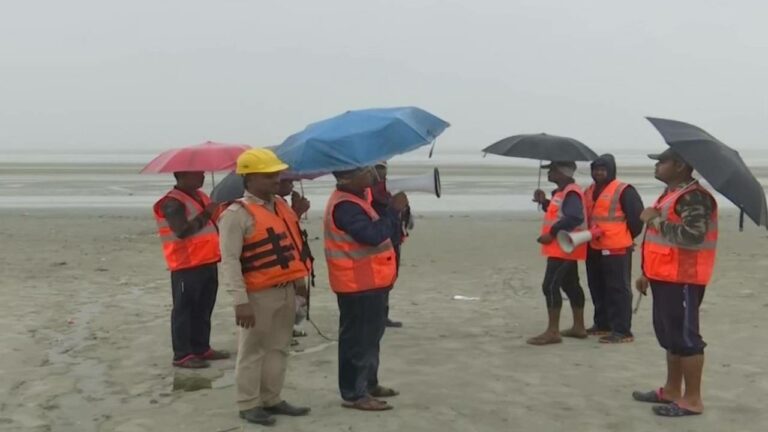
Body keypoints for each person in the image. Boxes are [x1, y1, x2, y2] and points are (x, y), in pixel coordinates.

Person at [218, 148, 311, 426]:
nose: (276, 179)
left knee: (279, 347)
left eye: (277, 174)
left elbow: (291, 246)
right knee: (252, 350)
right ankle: (248, 404)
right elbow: (230, 260)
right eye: (269, 175)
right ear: (250, 178)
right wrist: (240, 301)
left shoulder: (281, 207)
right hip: (257, 294)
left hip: (285, 289)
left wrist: (299, 282)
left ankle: (272, 398)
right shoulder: (236, 214)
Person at [632, 148, 718, 417]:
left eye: (662, 161)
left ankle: (692, 399)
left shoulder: (694, 197)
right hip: (664, 276)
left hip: (685, 278)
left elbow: (692, 236)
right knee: (670, 336)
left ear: (680, 165)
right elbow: (659, 242)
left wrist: (654, 219)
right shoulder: (671, 194)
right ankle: (671, 390)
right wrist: (647, 272)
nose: (657, 166)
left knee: (686, 337)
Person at [324, 167, 408, 411]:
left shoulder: (358, 199)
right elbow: (372, 235)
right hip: (356, 284)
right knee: (357, 341)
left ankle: (369, 384)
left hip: (370, 282)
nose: (373, 176)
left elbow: (384, 230)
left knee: (371, 338)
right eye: (366, 171)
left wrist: (390, 209)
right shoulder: (345, 206)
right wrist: (393, 211)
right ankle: (354, 393)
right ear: (347, 177)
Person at [152, 171, 230, 369]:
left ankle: (201, 347)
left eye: (202, 173)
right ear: (183, 176)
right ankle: (182, 354)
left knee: (204, 308)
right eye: (197, 174)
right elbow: (181, 231)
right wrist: (207, 213)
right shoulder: (171, 202)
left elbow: (216, 219)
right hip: (186, 264)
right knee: (184, 310)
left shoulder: (201, 196)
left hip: (208, 259)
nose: (202, 176)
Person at [584, 154, 644, 343]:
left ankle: (622, 330)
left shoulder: (624, 190)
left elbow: (637, 219)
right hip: (593, 245)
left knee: (618, 289)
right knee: (597, 286)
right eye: (596, 169)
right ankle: (602, 324)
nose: (599, 173)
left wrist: (626, 237)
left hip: (616, 247)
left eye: (603, 169)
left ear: (611, 170)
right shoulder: (589, 190)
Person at [528, 161, 588, 345]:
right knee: (570, 285)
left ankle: (553, 331)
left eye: (552, 170)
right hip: (565, 247)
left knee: (550, 286)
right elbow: (560, 213)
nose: (549, 173)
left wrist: (551, 233)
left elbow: (574, 216)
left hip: (564, 247)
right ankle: (579, 327)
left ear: (563, 172)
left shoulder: (571, 192)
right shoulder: (563, 192)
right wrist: (544, 202)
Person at [369, 161, 408, 328]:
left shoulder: (388, 189)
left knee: (389, 278)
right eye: (378, 168)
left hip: (393, 239)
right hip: (381, 240)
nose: (381, 172)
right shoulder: (371, 191)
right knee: (380, 280)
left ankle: (382, 315)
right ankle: (378, 316)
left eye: (383, 168)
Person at [276, 177, 312, 342]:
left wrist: (296, 209)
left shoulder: (281, 202)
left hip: (294, 255)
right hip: (283, 258)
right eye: (288, 182)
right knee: (290, 295)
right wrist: (298, 211)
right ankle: (284, 331)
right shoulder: (272, 204)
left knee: (298, 293)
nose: (292, 185)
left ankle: (290, 327)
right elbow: (281, 229)